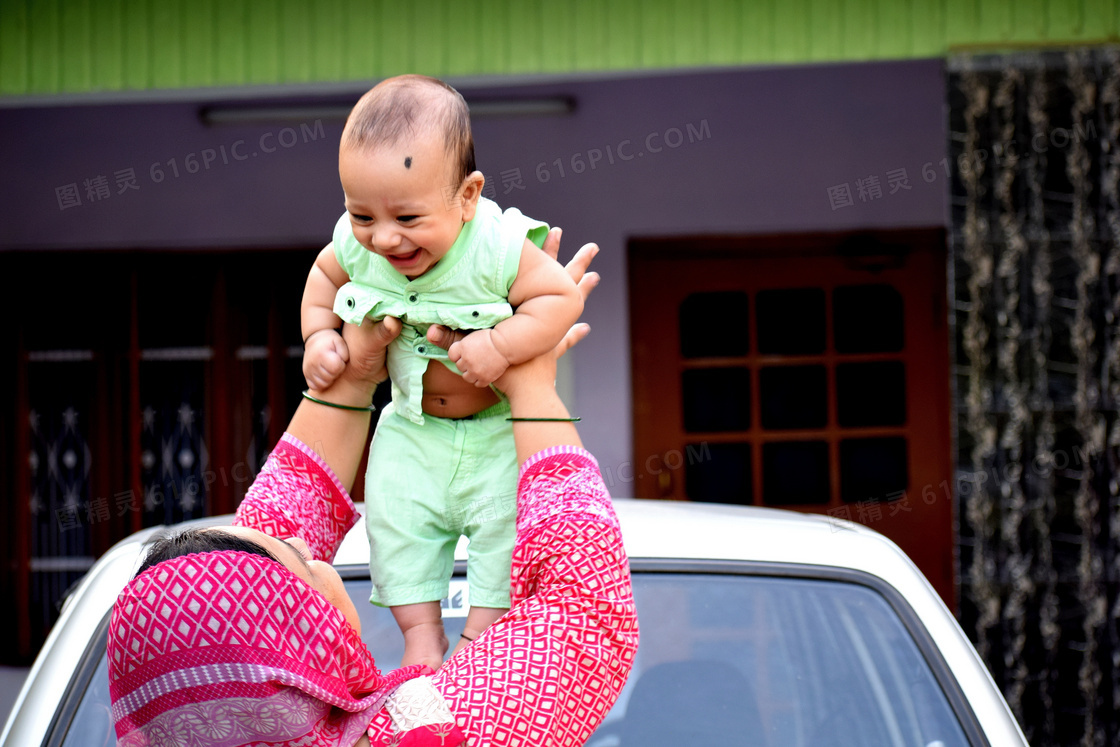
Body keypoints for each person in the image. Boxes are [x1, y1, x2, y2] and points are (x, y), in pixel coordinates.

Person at [108, 240, 637, 746]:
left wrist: (356, 369)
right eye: (303, 560)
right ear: (297, 646)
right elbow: (587, 608)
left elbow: (279, 523)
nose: (322, 563)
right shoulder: (440, 734)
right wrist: (529, 381)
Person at [300, 74, 584, 670]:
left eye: (407, 215)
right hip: (412, 428)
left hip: (495, 435)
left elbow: (560, 298)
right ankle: (421, 639)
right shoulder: (356, 249)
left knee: (506, 533)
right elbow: (324, 280)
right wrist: (320, 336)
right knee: (395, 525)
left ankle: (482, 642)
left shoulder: (496, 247)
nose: (383, 238)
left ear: (468, 195)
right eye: (361, 214)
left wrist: (504, 346)